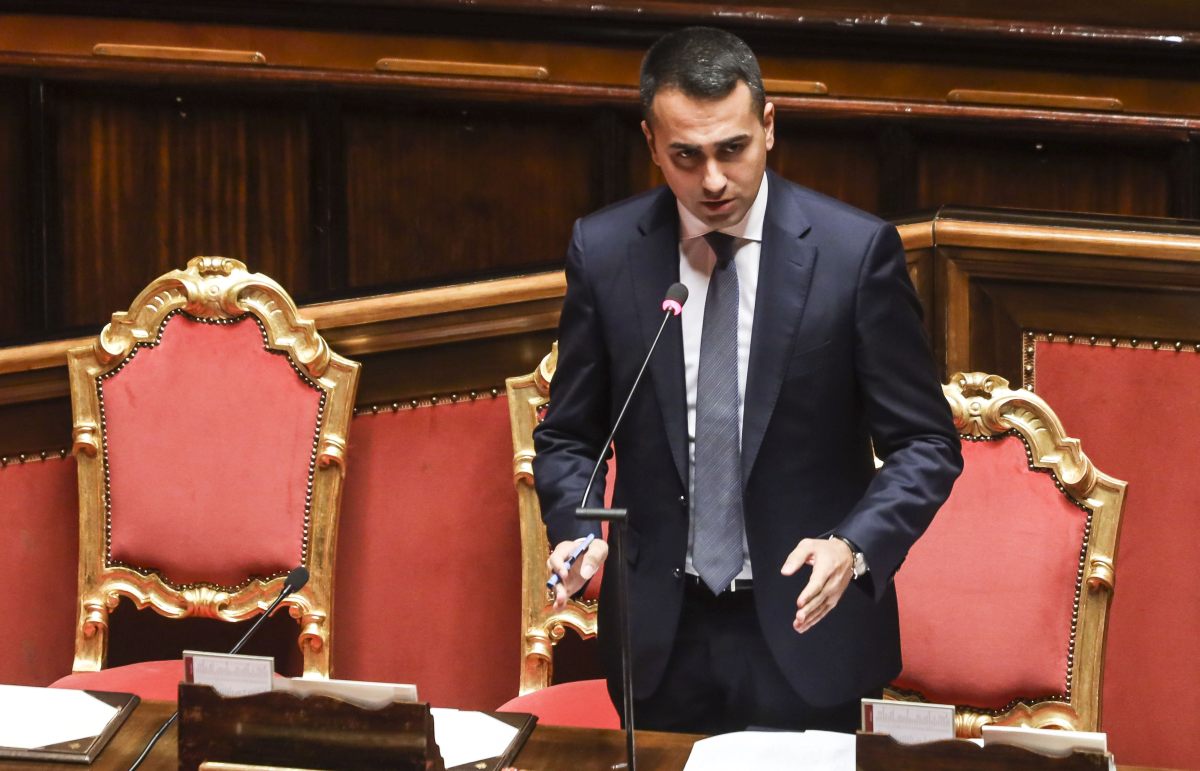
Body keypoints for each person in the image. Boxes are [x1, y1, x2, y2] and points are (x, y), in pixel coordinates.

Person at [532, 26, 962, 735]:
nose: (712, 180)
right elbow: (571, 434)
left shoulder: (854, 254)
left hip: (809, 624)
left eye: (732, 149)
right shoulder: (605, 252)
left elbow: (925, 443)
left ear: (769, 125)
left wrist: (853, 546)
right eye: (686, 155)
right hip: (661, 637)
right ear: (650, 143)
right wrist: (577, 530)